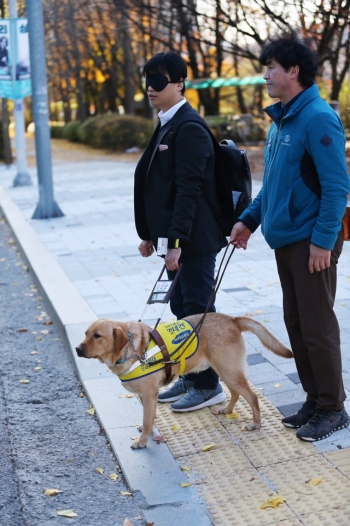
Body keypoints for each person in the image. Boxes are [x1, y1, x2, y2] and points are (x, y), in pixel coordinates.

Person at [231, 31, 350, 442]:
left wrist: (322, 240)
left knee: (317, 325)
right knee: (297, 323)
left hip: (311, 241)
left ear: (293, 71)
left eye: (271, 68)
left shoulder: (317, 118)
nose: (265, 75)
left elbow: (337, 187)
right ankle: (315, 398)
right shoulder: (282, 120)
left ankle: (334, 408)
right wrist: (248, 220)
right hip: (288, 240)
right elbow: (273, 187)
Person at [134, 51, 227, 412]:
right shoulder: (168, 122)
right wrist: (152, 235)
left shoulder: (188, 127)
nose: (150, 88)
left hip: (195, 240)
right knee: (179, 308)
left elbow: (188, 190)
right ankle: (191, 374)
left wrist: (174, 243)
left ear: (179, 83)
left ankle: (209, 385)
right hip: (178, 239)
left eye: (158, 81)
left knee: (199, 311)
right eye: (148, 80)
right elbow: (162, 188)